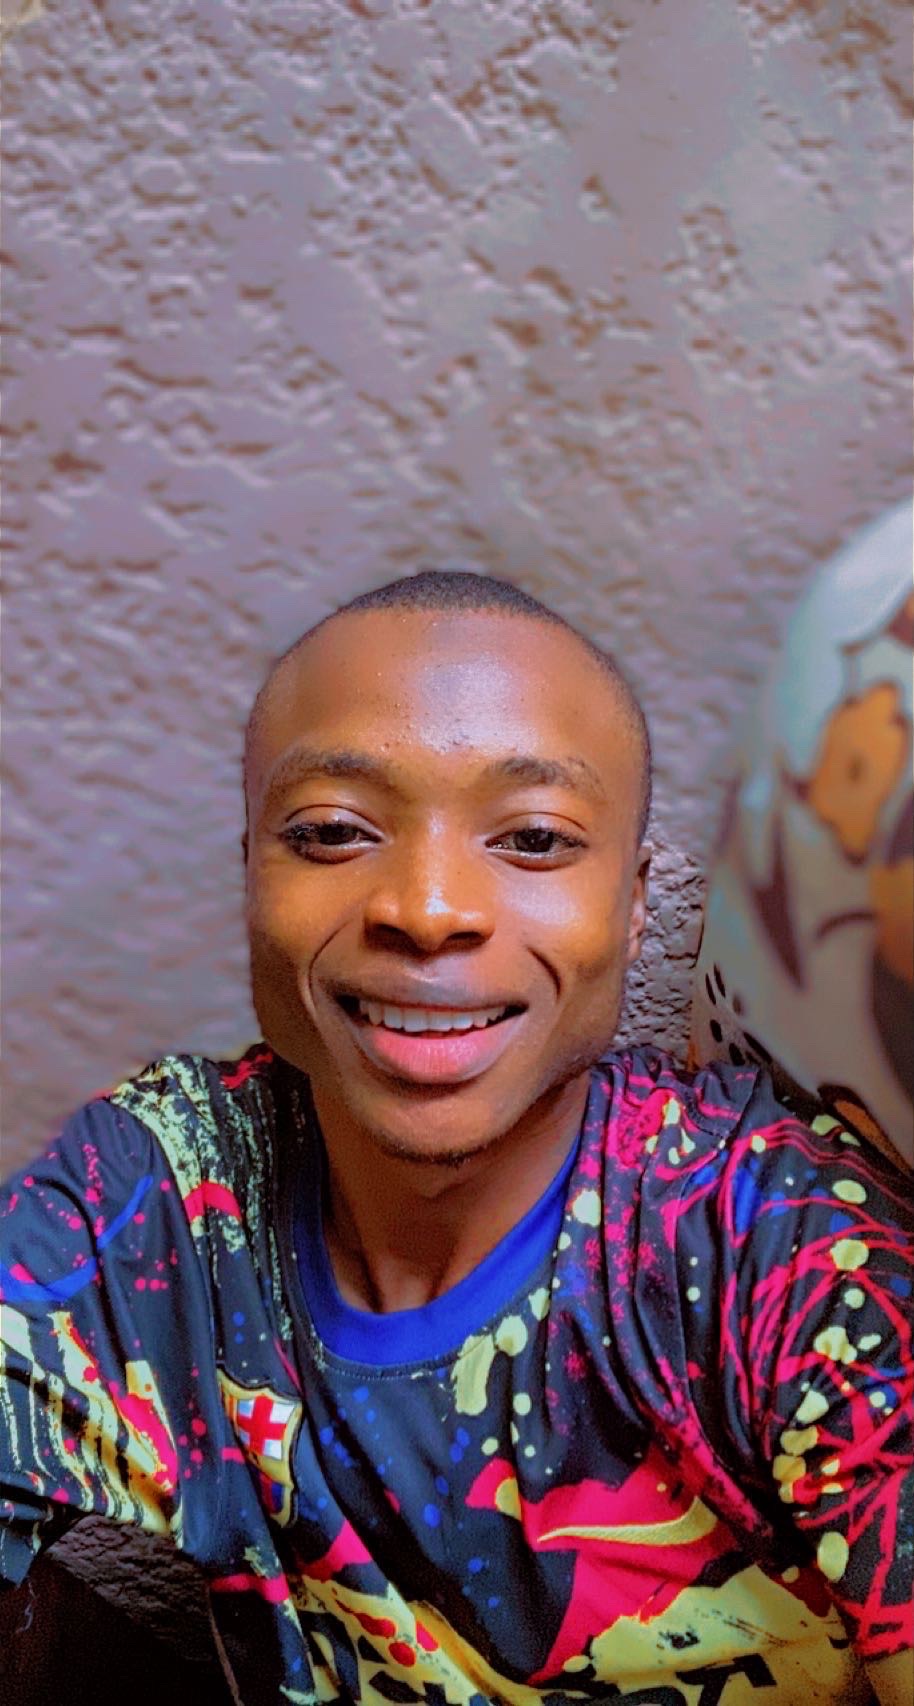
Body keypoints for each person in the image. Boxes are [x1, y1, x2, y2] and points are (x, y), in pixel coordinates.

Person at [1, 570, 911, 1706]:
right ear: (251, 876)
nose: (428, 908)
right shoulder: (158, 1196)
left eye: (532, 838)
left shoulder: (777, 1242)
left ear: (633, 903)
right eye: (333, 832)